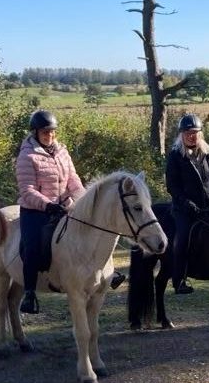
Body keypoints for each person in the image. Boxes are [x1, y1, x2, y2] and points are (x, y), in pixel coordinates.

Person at [15, 110, 127, 314]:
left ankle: (106, 272)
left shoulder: (62, 152)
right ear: (35, 133)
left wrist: (86, 201)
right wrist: (47, 204)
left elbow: (74, 181)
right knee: (32, 247)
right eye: (45, 132)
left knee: (92, 232)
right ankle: (30, 293)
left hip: (63, 206)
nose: (50, 136)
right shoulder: (27, 155)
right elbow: (27, 190)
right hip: (35, 210)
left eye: (52, 132)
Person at [165, 113, 209, 294]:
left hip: (206, 206)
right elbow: (172, 186)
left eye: (195, 132)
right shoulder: (175, 156)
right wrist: (186, 203)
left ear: (200, 133)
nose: (192, 135)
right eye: (188, 132)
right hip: (183, 209)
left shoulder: (207, 154)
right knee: (182, 238)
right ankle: (179, 280)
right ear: (181, 134)